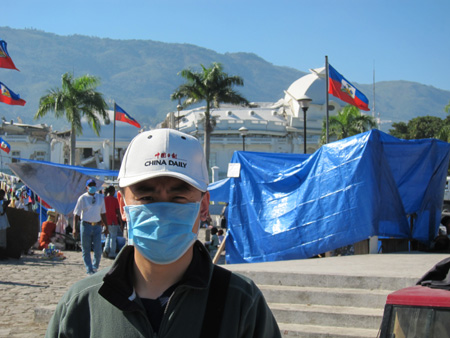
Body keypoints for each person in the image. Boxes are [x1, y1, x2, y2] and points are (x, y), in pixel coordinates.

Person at [46, 128, 280, 337]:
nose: (161, 212)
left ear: (204, 206)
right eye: (147, 198)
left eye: (178, 197)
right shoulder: (83, 304)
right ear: (122, 206)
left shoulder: (240, 302)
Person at [73, 179, 107, 275]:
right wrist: (75, 228)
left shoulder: (100, 197)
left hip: (97, 225)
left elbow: (103, 213)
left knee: (98, 249)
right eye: (90, 185)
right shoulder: (82, 198)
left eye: (94, 185)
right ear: (86, 187)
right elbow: (76, 214)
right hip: (86, 225)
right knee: (86, 248)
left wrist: (106, 226)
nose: (92, 187)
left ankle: (95, 267)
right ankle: (89, 268)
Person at [103, 185, 123, 259]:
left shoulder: (104, 200)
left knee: (108, 236)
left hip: (106, 221)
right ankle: (112, 253)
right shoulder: (115, 200)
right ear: (113, 192)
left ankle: (106, 249)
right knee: (113, 238)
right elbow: (118, 211)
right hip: (113, 221)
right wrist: (120, 222)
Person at [0, 189, 10, 260]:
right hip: (1, 223)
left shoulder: (1, 202)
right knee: (2, 240)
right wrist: (6, 205)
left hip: (2, 223)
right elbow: (2, 213)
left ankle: (2, 254)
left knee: (3, 240)